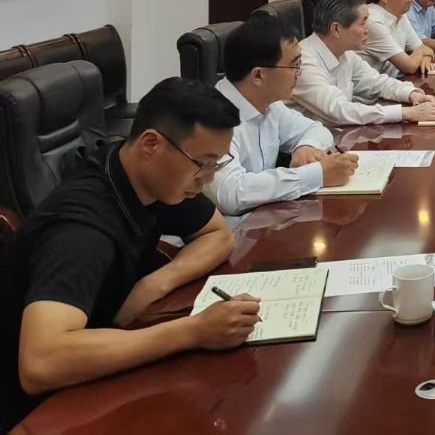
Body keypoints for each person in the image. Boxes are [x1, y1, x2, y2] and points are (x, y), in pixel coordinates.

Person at [2, 78, 262, 430]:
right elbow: (40, 363)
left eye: (216, 164)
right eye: (202, 164)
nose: (208, 179)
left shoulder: (143, 174)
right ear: (151, 144)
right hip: (37, 411)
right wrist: (193, 331)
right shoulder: (81, 233)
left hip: (98, 366)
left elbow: (218, 235)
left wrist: (153, 285)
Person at [207, 14, 358, 217]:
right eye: (294, 65)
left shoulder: (270, 104)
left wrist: (306, 147)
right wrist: (316, 175)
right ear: (258, 75)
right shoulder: (213, 119)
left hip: (265, 220)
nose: (299, 73)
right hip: (231, 228)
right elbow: (231, 194)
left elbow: (315, 128)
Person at [293, 0, 435, 126]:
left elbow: (376, 82)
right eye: (362, 23)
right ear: (336, 29)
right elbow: (338, 111)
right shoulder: (303, 62)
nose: (367, 30)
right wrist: (405, 113)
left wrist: (411, 94)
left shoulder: (345, 53)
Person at [360, 0, 435, 77]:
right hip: (370, 87)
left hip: (392, 82)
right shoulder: (373, 22)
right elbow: (410, 66)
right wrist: (422, 52)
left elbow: (425, 49)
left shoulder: (400, 14)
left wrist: (426, 57)